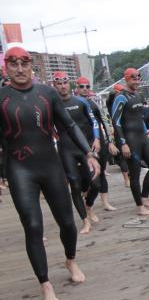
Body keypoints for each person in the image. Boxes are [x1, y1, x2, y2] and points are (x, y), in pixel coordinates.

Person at [1, 46, 100, 300]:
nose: (20, 69)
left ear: (31, 66)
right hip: (19, 169)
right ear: (6, 68)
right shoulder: (1, 97)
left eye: (24, 63)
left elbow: (68, 125)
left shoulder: (47, 94)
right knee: (33, 226)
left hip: (50, 166)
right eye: (14, 64)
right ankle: (45, 285)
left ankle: (70, 259)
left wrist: (89, 153)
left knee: (68, 224)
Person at [52, 71, 100, 234]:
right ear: (54, 85)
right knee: (75, 185)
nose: (63, 86)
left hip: (84, 147)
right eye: (59, 83)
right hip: (66, 149)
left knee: (96, 184)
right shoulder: (53, 105)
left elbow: (94, 122)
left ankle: (89, 206)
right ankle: (85, 221)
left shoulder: (80, 102)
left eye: (65, 82)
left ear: (69, 84)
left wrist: (97, 139)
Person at [112, 67, 149, 215]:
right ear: (127, 79)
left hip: (142, 137)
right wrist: (123, 143)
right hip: (130, 139)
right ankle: (139, 206)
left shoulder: (138, 96)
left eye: (139, 78)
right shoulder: (121, 97)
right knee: (135, 173)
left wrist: (146, 134)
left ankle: (144, 197)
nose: (137, 80)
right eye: (134, 78)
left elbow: (140, 119)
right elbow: (116, 122)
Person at [76, 76, 118, 217]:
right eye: (82, 86)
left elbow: (105, 122)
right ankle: (89, 206)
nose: (85, 89)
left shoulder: (94, 104)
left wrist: (110, 141)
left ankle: (105, 202)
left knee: (102, 172)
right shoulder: (74, 103)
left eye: (87, 86)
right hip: (84, 143)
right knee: (87, 176)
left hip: (98, 141)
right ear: (77, 88)